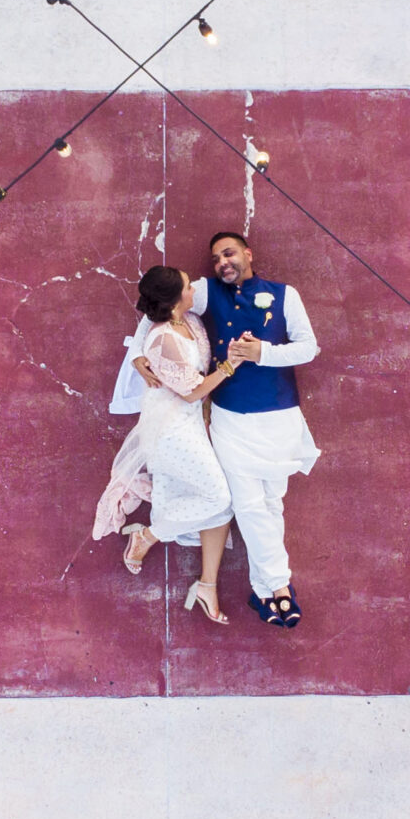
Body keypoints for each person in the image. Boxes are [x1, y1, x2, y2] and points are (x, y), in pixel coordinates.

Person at [124, 231, 320, 627]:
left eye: (228, 254)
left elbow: (308, 348)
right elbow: (157, 310)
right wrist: (137, 355)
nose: (222, 263)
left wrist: (263, 352)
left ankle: (264, 590)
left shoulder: (286, 295)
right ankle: (280, 587)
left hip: (279, 415)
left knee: (271, 503)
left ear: (248, 253)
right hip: (229, 416)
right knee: (247, 505)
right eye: (215, 259)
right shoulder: (207, 292)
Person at [93, 266, 245, 624]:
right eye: (189, 285)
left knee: (219, 509)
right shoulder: (163, 339)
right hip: (170, 430)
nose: (195, 288)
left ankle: (207, 585)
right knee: (218, 498)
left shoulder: (188, 320)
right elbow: (192, 391)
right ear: (176, 298)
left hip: (192, 425)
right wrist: (231, 365)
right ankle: (147, 536)